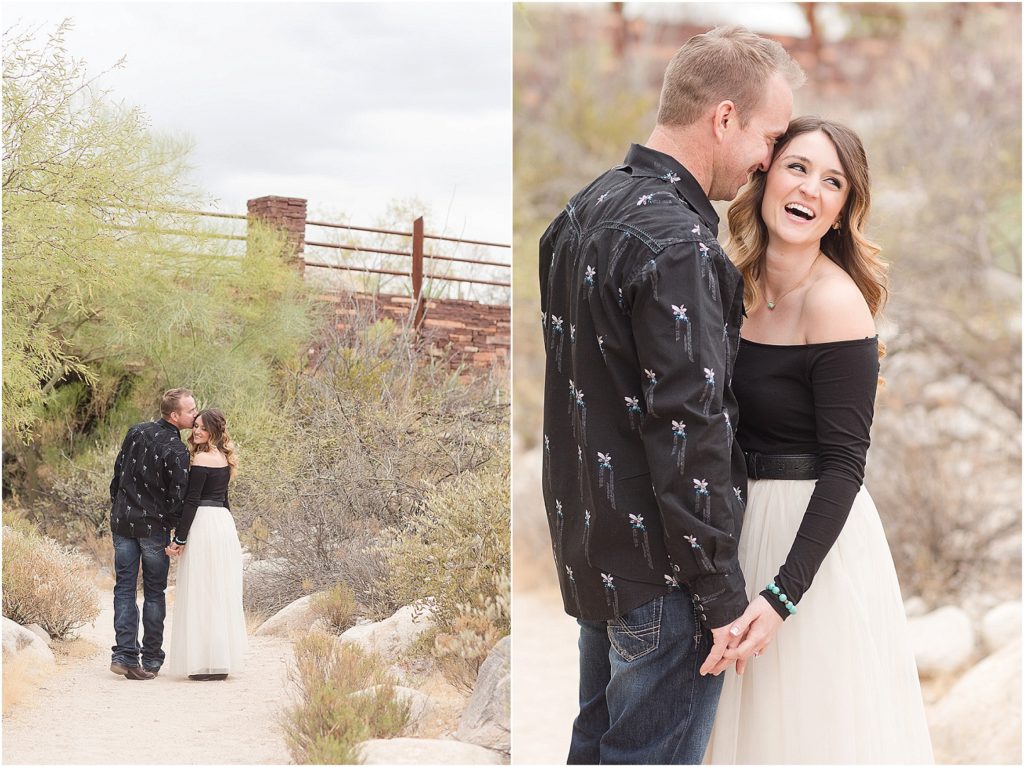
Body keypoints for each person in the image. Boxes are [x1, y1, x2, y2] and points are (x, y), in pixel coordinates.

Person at [538, 26, 804, 764]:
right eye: (768, 137)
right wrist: (720, 595)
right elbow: (688, 431)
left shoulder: (577, 213)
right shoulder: (681, 245)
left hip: (594, 558)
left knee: (595, 749)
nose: (767, 162)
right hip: (665, 579)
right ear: (724, 118)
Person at [703, 116, 934, 763]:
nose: (811, 188)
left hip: (813, 550)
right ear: (767, 175)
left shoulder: (836, 303)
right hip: (739, 527)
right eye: (798, 167)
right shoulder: (731, 282)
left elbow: (844, 467)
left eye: (833, 181)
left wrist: (781, 597)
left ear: (841, 211)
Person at [109, 387, 196, 680]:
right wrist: (173, 529)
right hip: (153, 528)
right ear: (175, 415)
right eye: (190, 411)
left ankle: (123, 655)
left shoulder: (136, 431)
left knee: (124, 587)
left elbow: (118, 472)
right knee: (154, 592)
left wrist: (119, 505)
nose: (195, 415)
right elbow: (178, 496)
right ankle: (151, 659)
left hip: (123, 521)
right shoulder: (177, 450)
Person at [165, 408, 247, 681]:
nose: (196, 431)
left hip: (203, 523)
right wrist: (229, 530)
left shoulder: (201, 458)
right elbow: (224, 501)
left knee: (201, 590)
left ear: (213, 430)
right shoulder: (223, 457)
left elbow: (191, 501)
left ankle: (203, 663)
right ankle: (219, 662)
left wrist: (179, 539)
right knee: (219, 591)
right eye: (195, 426)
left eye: (201, 427)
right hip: (223, 525)